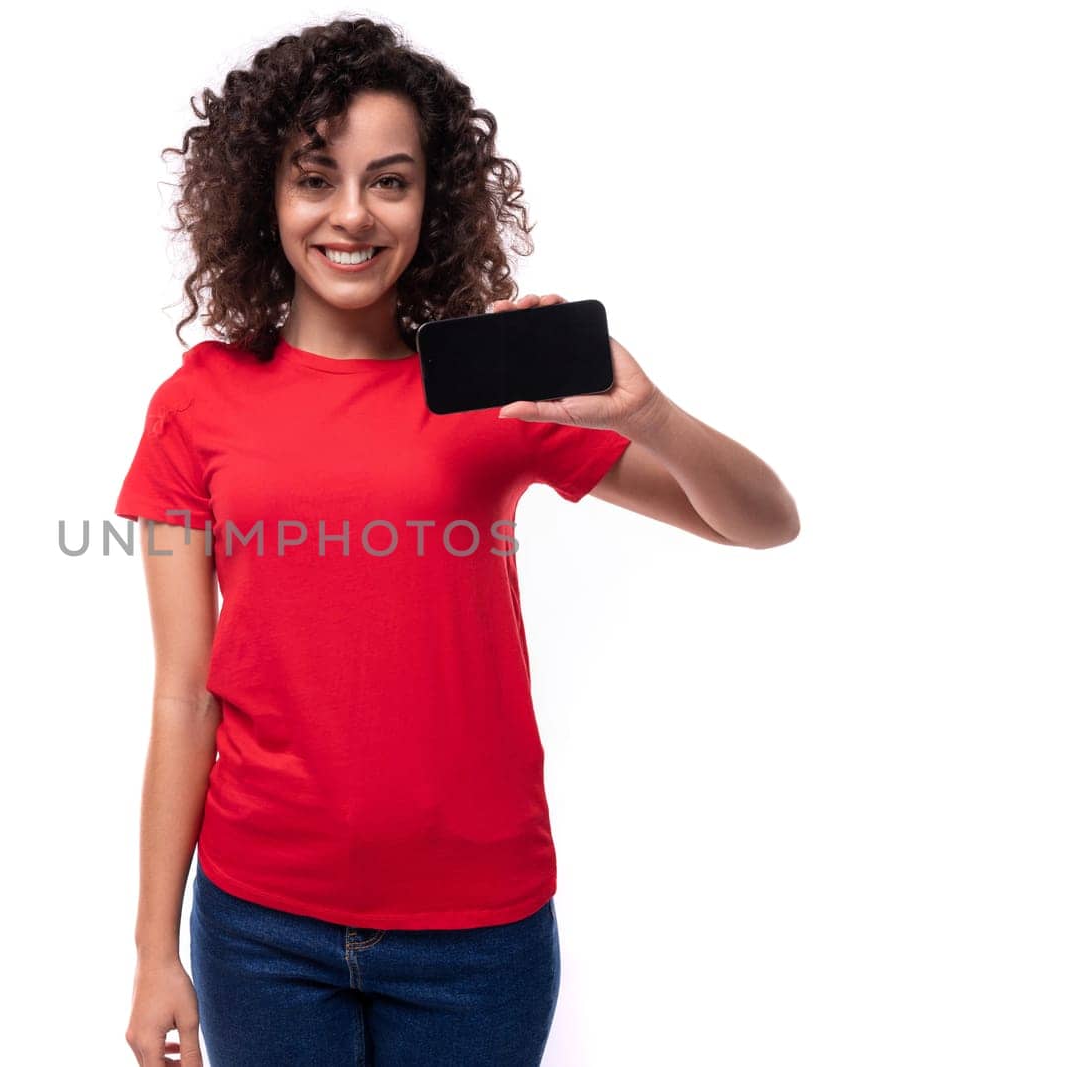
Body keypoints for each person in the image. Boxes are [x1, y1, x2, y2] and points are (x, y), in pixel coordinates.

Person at [118, 18, 800, 1067]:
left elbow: (761, 522)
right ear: (264, 195)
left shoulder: (497, 389)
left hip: (478, 934)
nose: (351, 214)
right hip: (260, 924)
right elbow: (182, 691)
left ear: (433, 203)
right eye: (315, 179)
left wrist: (646, 413)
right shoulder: (195, 403)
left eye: (388, 181)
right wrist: (153, 948)